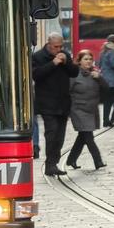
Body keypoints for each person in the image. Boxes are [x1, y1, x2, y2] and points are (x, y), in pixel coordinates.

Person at [31, 32, 76, 176]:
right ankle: (49, 164)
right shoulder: (38, 57)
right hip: (47, 104)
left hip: (63, 103)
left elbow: (74, 72)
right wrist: (53, 63)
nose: (59, 49)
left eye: (61, 46)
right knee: (51, 133)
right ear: (49, 44)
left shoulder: (65, 55)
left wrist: (66, 62)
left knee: (60, 136)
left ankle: (54, 162)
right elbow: (36, 75)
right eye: (56, 46)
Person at [65, 51, 108, 170]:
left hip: (91, 109)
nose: (88, 61)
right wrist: (67, 110)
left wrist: (99, 78)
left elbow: (107, 89)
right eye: (85, 59)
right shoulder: (74, 75)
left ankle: (71, 159)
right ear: (79, 61)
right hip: (78, 110)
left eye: (90, 59)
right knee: (88, 136)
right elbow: (66, 92)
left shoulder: (95, 74)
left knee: (82, 136)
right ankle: (98, 161)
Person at [98, 34, 114, 127]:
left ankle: (105, 122)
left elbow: (99, 65)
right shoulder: (112, 52)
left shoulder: (103, 52)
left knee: (107, 102)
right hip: (113, 82)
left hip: (105, 81)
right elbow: (113, 64)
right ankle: (113, 119)